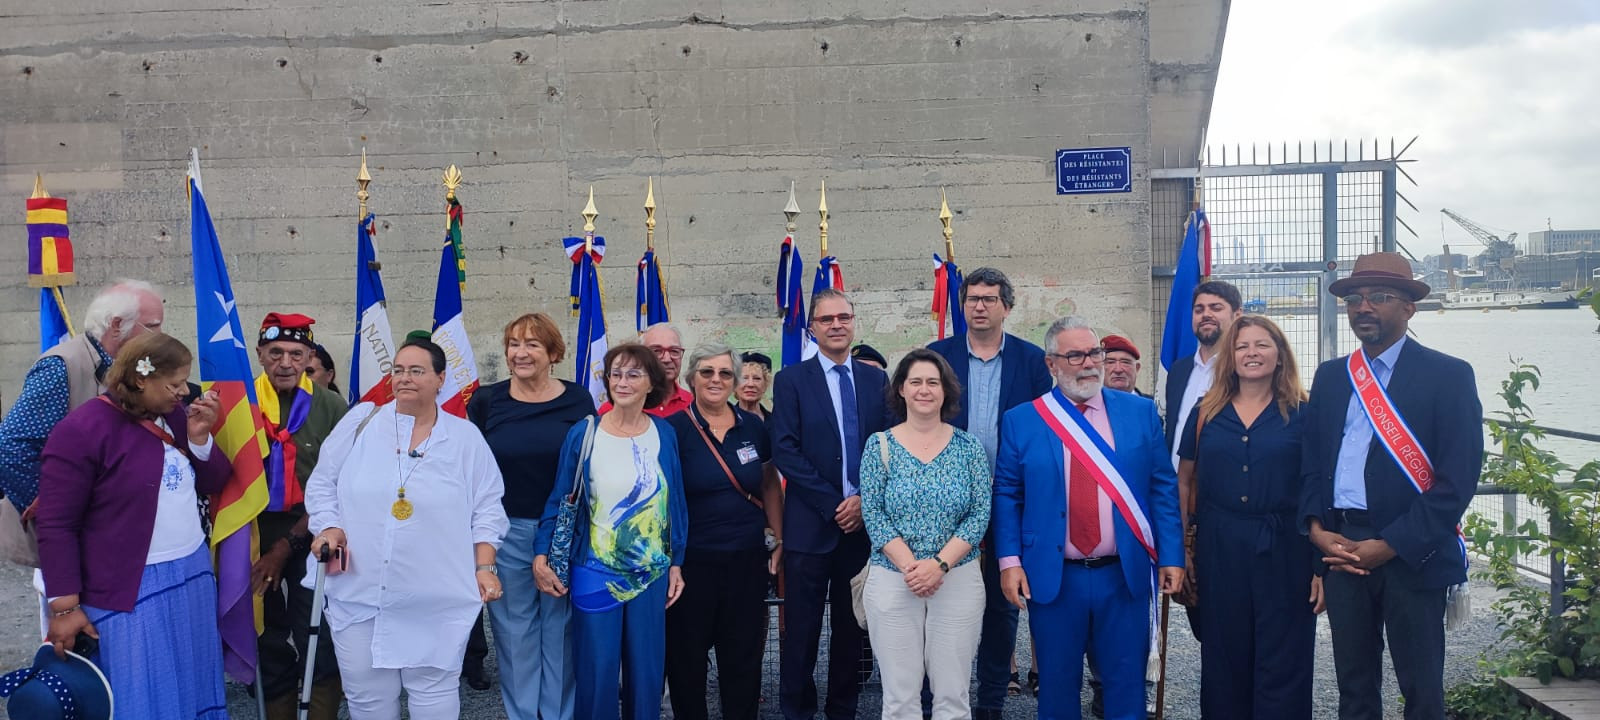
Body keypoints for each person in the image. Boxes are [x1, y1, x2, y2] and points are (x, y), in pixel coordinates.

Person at [1299, 252, 1482, 720]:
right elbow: (1312, 464)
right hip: (1342, 547)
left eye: (1379, 297)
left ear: (1409, 307)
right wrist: (1317, 530)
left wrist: (1392, 544)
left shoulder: (1449, 376)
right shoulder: (1332, 377)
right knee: (1354, 687)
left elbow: (1457, 481)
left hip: (1412, 554)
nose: (1364, 307)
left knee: (1421, 690)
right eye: (1355, 299)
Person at [304, 337, 509, 720]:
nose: (404, 378)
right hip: (360, 590)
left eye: (417, 371)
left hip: (435, 592)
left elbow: (487, 509)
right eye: (398, 370)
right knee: (367, 695)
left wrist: (485, 567)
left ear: (440, 379)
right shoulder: (361, 422)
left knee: (433, 691)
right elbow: (322, 484)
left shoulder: (465, 438)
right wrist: (329, 526)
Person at [993, 316, 1185, 720]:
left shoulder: (1139, 412)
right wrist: (1009, 562)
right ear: (1051, 365)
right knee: (1058, 689)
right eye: (1075, 355)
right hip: (1054, 577)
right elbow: (1008, 494)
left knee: (1125, 686)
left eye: (1094, 352)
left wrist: (1171, 555)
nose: (1090, 364)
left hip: (1124, 576)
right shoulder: (1022, 419)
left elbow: (1162, 487)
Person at [36, 332, 231, 719]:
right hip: (128, 589)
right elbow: (56, 524)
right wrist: (64, 608)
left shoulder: (174, 416)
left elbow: (213, 484)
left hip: (190, 576)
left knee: (190, 688)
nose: (183, 392)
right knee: (141, 696)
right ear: (142, 378)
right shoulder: (83, 429)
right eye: (173, 384)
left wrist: (200, 439)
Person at [532, 344, 688, 720]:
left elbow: (676, 505)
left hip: (650, 572)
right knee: (598, 670)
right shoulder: (586, 434)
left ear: (652, 382)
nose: (622, 381)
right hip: (594, 570)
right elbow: (560, 499)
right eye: (615, 373)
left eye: (634, 374)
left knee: (646, 671)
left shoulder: (664, 433)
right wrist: (541, 553)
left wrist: (676, 563)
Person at [1176, 316, 1320, 719]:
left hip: (1286, 547)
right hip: (1219, 547)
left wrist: (1319, 566)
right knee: (1224, 657)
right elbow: (1184, 481)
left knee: (1285, 659)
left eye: (1262, 345)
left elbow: (1316, 489)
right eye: (1242, 346)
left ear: (1280, 355)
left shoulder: (1305, 414)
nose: (1251, 353)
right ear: (1230, 357)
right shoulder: (1206, 413)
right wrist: (1182, 549)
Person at [925, 267, 1051, 720]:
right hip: (944, 505)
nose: (980, 306)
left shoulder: (1032, 361)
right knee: (939, 604)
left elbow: (1043, 433)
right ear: (962, 306)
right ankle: (932, 701)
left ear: (1007, 307)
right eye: (972, 299)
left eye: (989, 299)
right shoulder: (936, 357)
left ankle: (991, 703)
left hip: (1008, 503)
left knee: (1002, 608)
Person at [466, 313, 595, 720]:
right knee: (514, 632)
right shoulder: (487, 401)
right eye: (514, 344)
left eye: (532, 344)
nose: (521, 353)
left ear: (553, 353)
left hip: (564, 531)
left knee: (560, 629)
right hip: (507, 532)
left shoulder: (578, 399)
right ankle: (524, 714)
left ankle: (558, 714)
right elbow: (472, 468)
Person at [771, 288, 891, 720]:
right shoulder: (791, 380)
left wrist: (862, 500)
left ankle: (843, 709)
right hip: (811, 527)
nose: (837, 325)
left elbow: (888, 446)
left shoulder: (876, 380)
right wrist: (835, 502)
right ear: (813, 328)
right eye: (827, 319)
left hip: (862, 530)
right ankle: (797, 711)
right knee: (800, 632)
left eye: (844, 317)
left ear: (853, 321)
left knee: (851, 631)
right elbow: (785, 449)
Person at [859, 349, 990, 719]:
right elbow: (874, 512)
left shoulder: (969, 448)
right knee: (900, 697)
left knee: (953, 694)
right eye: (915, 381)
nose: (924, 389)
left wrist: (938, 565)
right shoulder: (879, 446)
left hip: (957, 577)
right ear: (900, 389)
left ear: (945, 390)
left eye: (933, 382)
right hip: (893, 578)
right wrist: (913, 569)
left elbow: (980, 512)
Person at [665, 344, 784, 720]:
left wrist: (778, 540)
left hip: (746, 560)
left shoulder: (753, 427)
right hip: (691, 564)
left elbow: (768, 484)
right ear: (691, 379)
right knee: (687, 659)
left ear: (734, 381)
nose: (716, 380)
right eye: (707, 373)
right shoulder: (673, 430)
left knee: (743, 656)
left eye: (724, 373)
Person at [249, 313, 349, 719]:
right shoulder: (243, 403)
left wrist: (286, 547)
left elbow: (339, 486)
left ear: (310, 355)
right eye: (275, 353)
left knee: (318, 630)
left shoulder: (329, 406)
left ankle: (320, 710)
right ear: (260, 355)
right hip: (253, 532)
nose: (285, 363)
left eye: (296, 353)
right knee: (265, 631)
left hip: (312, 531)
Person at [1, 280, 164, 513]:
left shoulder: (130, 367)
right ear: (117, 325)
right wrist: (58, 510)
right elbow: (12, 449)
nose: (161, 337)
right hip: (48, 538)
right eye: (153, 326)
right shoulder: (61, 367)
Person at [1163, 280, 1243, 472]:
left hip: (1222, 490)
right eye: (1199, 310)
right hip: (1176, 490)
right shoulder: (1178, 371)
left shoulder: (1244, 370)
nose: (1206, 314)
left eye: (1216, 308)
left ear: (1237, 315)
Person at [598, 323, 694, 416]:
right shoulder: (611, 410)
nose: (667, 359)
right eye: (656, 351)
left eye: (674, 351)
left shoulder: (694, 404)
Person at [736, 351, 774, 419]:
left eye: (757, 378)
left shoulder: (776, 422)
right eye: (744, 378)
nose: (751, 384)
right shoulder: (726, 420)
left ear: (766, 383)